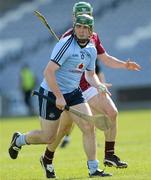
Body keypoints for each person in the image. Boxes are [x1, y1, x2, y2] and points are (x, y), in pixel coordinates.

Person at [39, 2, 141, 179]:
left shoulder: (93, 37)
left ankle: (108, 156)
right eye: (79, 16)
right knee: (62, 130)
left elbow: (105, 59)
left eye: (88, 14)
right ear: (74, 17)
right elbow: (54, 68)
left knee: (111, 113)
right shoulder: (67, 38)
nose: (83, 25)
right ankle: (47, 158)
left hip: (87, 86)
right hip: (72, 89)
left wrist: (124, 65)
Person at [8, 14, 112, 178]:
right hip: (50, 92)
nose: (82, 30)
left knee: (88, 126)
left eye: (86, 27)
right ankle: (19, 140)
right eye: (79, 26)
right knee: (49, 137)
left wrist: (98, 85)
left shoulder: (91, 49)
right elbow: (48, 72)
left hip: (73, 92)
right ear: (75, 27)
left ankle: (94, 169)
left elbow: (90, 75)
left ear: (91, 30)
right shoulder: (65, 45)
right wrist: (59, 97)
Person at [60, 60, 105, 148]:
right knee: (70, 118)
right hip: (73, 93)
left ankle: (92, 140)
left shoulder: (92, 56)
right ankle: (66, 136)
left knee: (90, 118)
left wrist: (101, 85)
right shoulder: (72, 57)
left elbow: (98, 72)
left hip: (88, 91)